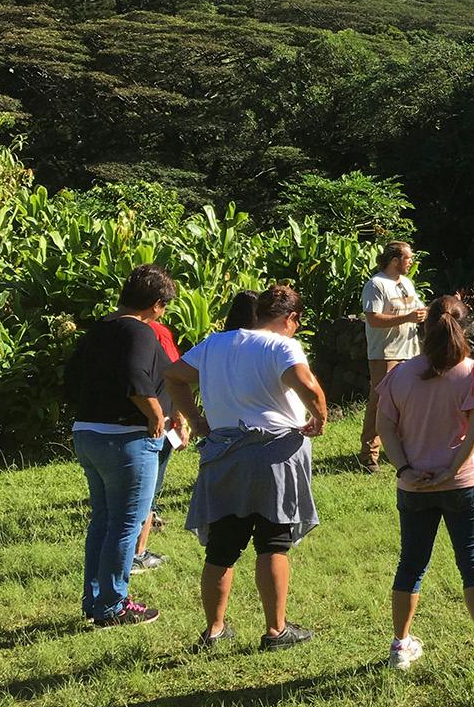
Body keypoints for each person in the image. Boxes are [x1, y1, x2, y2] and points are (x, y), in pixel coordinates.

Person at [165, 284, 328, 652]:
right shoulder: (282, 345)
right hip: (275, 454)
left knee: (222, 546)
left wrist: (197, 419)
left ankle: (214, 630)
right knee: (273, 542)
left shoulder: (214, 344)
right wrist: (320, 415)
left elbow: (173, 376)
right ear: (290, 319)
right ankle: (276, 630)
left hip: (223, 452)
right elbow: (307, 385)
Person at [376, 295, 474, 673]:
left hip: (414, 487)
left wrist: (404, 468)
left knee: (411, 563)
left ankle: (401, 645)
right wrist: (453, 469)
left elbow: (384, 426)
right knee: (473, 564)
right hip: (464, 485)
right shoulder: (472, 372)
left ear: (423, 330)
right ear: (462, 326)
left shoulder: (400, 375)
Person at [65, 264, 177, 627]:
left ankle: (95, 599)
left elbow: (69, 378)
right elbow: (135, 376)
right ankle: (114, 605)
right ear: (157, 304)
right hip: (125, 439)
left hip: (87, 433)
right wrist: (155, 410)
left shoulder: (98, 329)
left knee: (103, 520)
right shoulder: (139, 332)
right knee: (126, 523)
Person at [360, 241, 427, 473]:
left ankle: (401, 450)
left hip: (410, 352)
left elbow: (417, 309)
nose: (411, 262)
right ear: (395, 260)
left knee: (408, 403)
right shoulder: (376, 285)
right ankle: (369, 454)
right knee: (380, 402)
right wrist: (407, 318)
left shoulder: (407, 283)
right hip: (384, 354)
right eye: (408, 258)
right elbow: (373, 319)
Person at [131, 314, 184, 574]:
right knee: (147, 491)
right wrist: (179, 416)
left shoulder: (114, 329)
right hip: (156, 421)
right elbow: (175, 375)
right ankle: (137, 554)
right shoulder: (155, 332)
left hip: (116, 428)